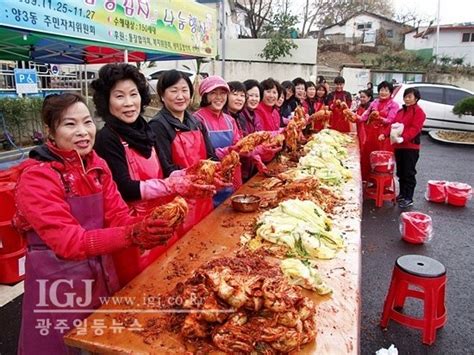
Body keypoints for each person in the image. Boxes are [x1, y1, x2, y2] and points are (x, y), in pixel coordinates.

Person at [14, 93, 175, 354]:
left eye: (87, 122)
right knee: (60, 344)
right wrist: (132, 234)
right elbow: (68, 242)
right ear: (50, 131)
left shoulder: (97, 165)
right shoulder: (37, 177)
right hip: (58, 282)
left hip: (100, 273)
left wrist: (154, 222)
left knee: (100, 340)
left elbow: (119, 216)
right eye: (70, 124)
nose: (83, 132)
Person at [92, 64, 214, 285]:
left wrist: (192, 175)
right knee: (141, 289)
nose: (129, 103)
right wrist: (171, 186)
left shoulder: (145, 129)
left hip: (161, 220)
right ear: (106, 101)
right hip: (133, 228)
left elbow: (166, 168)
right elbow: (124, 188)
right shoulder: (107, 138)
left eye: (133, 94)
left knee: (170, 277)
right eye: (119, 96)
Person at [148, 69, 218, 234]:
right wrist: (193, 181)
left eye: (184, 90)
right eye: (173, 91)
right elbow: (166, 168)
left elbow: (211, 156)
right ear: (162, 95)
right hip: (178, 200)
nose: (180, 96)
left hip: (203, 194)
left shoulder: (196, 122)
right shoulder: (158, 125)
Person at [194, 75, 242, 207]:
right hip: (210, 182)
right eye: (213, 93)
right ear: (205, 96)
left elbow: (239, 147)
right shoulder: (197, 120)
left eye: (222, 93)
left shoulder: (229, 120)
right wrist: (228, 151)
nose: (219, 97)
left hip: (230, 179)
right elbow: (201, 155)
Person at [380, 88, 426, 208]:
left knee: (409, 172)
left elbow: (415, 129)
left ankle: (408, 197)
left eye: (410, 97)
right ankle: (402, 194)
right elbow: (393, 125)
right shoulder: (401, 111)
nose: (407, 99)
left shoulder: (419, 112)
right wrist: (384, 134)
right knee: (400, 172)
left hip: (410, 147)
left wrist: (404, 137)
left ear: (416, 98)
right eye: (406, 96)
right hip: (398, 145)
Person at [359, 81, 399, 181]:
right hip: (372, 135)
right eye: (381, 90)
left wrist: (378, 118)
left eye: (386, 90)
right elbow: (364, 117)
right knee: (368, 157)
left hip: (385, 136)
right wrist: (353, 116)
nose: (383, 92)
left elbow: (391, 120)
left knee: (382, 161)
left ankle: (382, 183)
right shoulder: (374, 103)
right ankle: (367, 180)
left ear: (390, 92)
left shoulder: (394, 105)